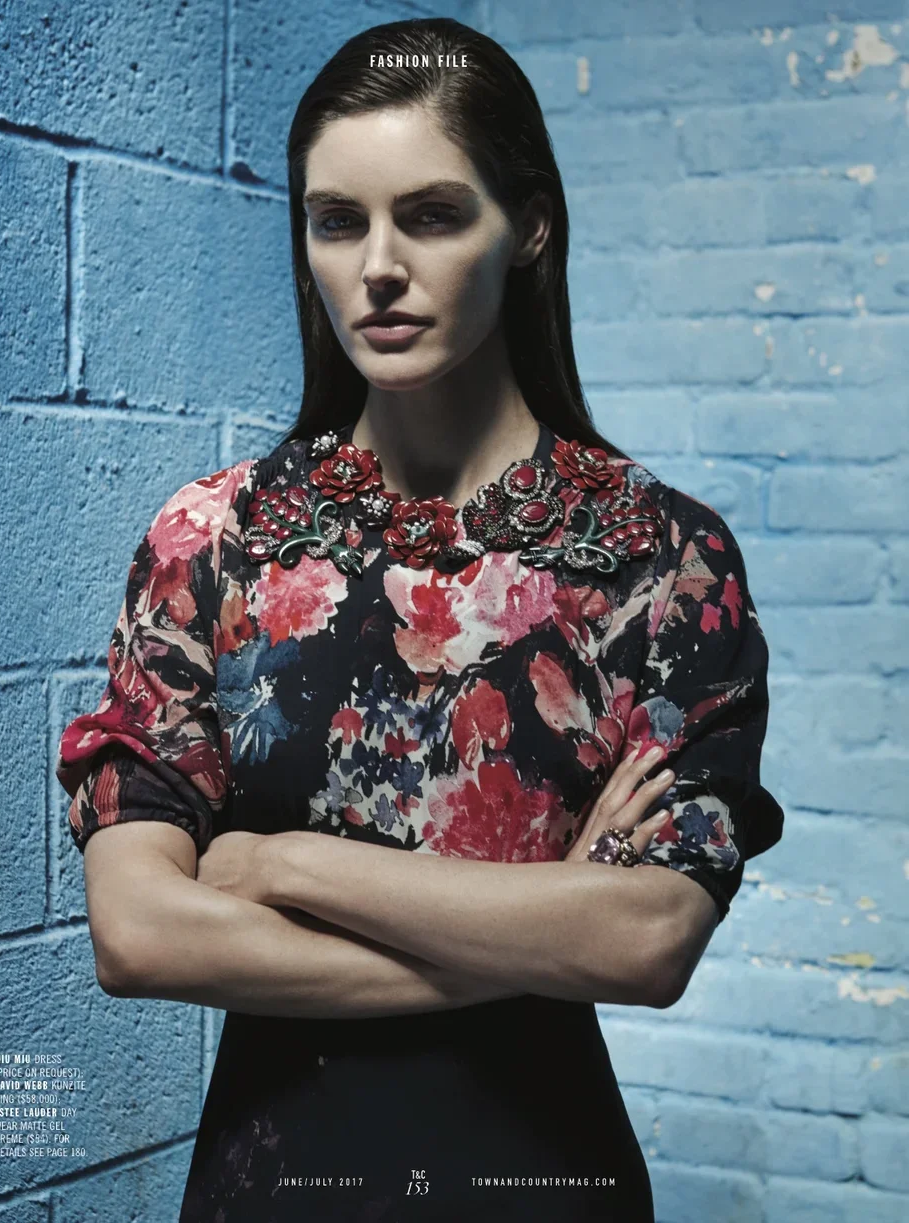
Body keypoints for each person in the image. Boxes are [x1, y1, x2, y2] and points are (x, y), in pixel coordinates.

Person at [56, 17, 784, 1222]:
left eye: (432, 215)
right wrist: (539, 923)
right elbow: (139, 933)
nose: (376, 266)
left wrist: (275, 862)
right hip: (270, 1189)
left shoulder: (662, 557)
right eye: (336, 221)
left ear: (529, 227)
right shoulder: (213, 540)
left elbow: (647, 938)